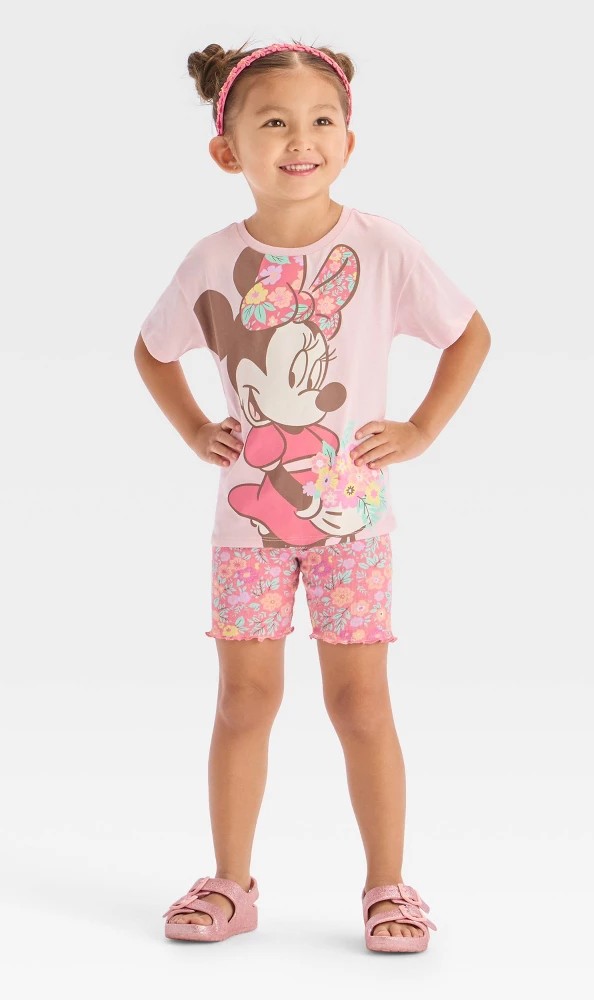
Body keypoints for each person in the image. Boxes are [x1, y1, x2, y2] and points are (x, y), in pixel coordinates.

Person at [134, 38, 491, 952]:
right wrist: (194, 429)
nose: (302, 140)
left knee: (360, 705)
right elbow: (153, 350)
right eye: (275, 123)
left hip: (352, 527)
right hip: (246, 531)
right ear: (228, 150)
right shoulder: (212, 260)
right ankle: (231, 882)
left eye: (322, 121)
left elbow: (469, 335)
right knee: (243, 703)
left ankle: (388, 887)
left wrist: (421, 429)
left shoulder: (379, 247)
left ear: (349, 140)